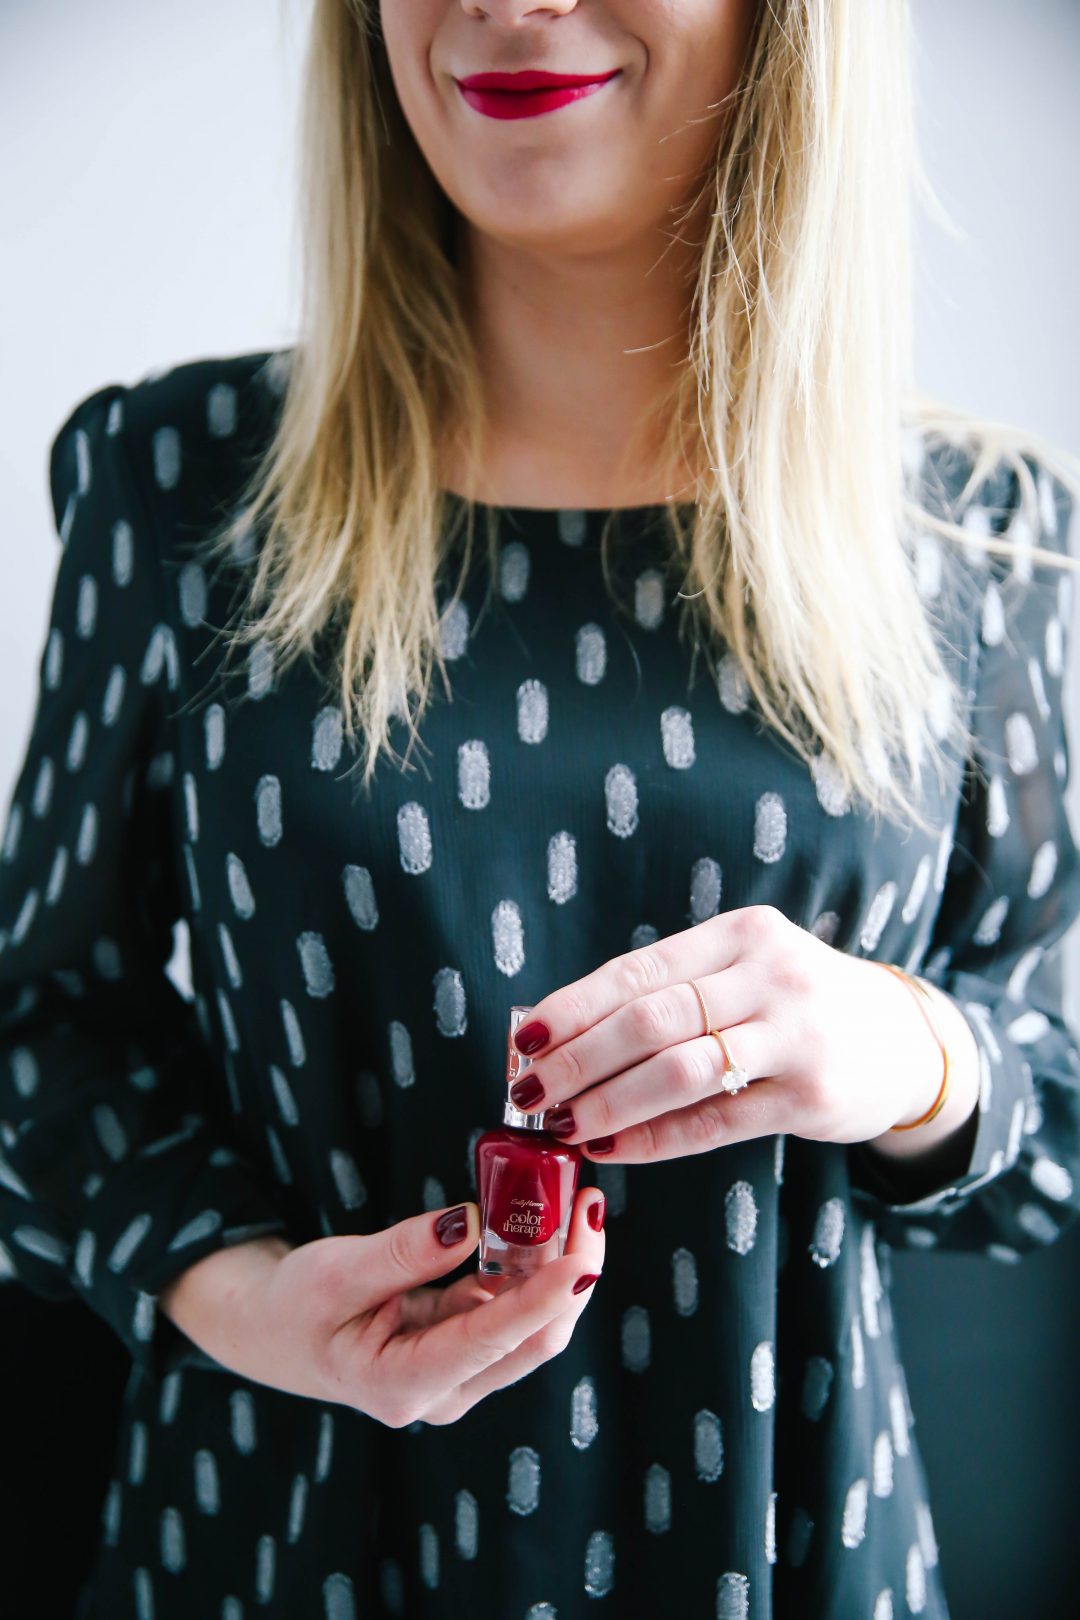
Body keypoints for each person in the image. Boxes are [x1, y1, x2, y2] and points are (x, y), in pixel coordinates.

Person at [2, 2, 1080, 1616]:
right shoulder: (174, 480)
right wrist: (242, 1298)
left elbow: (1054, 1119)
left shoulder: (985, 545)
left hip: (785, 1546)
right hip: (275, 1534)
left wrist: (904, 1051)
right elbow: (39, 1026)